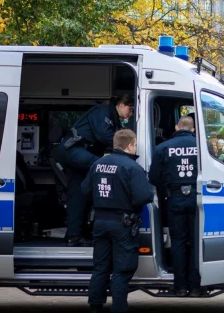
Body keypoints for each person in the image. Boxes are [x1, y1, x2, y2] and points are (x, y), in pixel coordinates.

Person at [82, 129, 154, 313]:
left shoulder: (97, 164)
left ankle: (95, 307)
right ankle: (118, 308)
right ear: (130, 145)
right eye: (135, 145)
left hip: (99, 221)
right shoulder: (132, 167)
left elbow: (85, 191)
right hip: (122, 224)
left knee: (101, 267)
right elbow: (144, 196)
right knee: (122, 269)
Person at [55, 94, 135, 246]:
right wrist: (127, 146)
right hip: (74, 150)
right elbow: (103, 135)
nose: (129, 114)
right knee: (106, 166)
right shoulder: (102, 111)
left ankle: (74, 236)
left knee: (79, 195)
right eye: (130, 110)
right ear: (122, 104)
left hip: (81, 154)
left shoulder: (112, 118)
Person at [148, 116, 201, 297]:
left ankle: (180, 287)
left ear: (177, 127)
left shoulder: (162, 148)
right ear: (193, 129)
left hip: (174, 199)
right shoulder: (202, 148)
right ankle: (195, 287)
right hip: (197, 199)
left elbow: (153, 178)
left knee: (178, 243)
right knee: (195, 243)